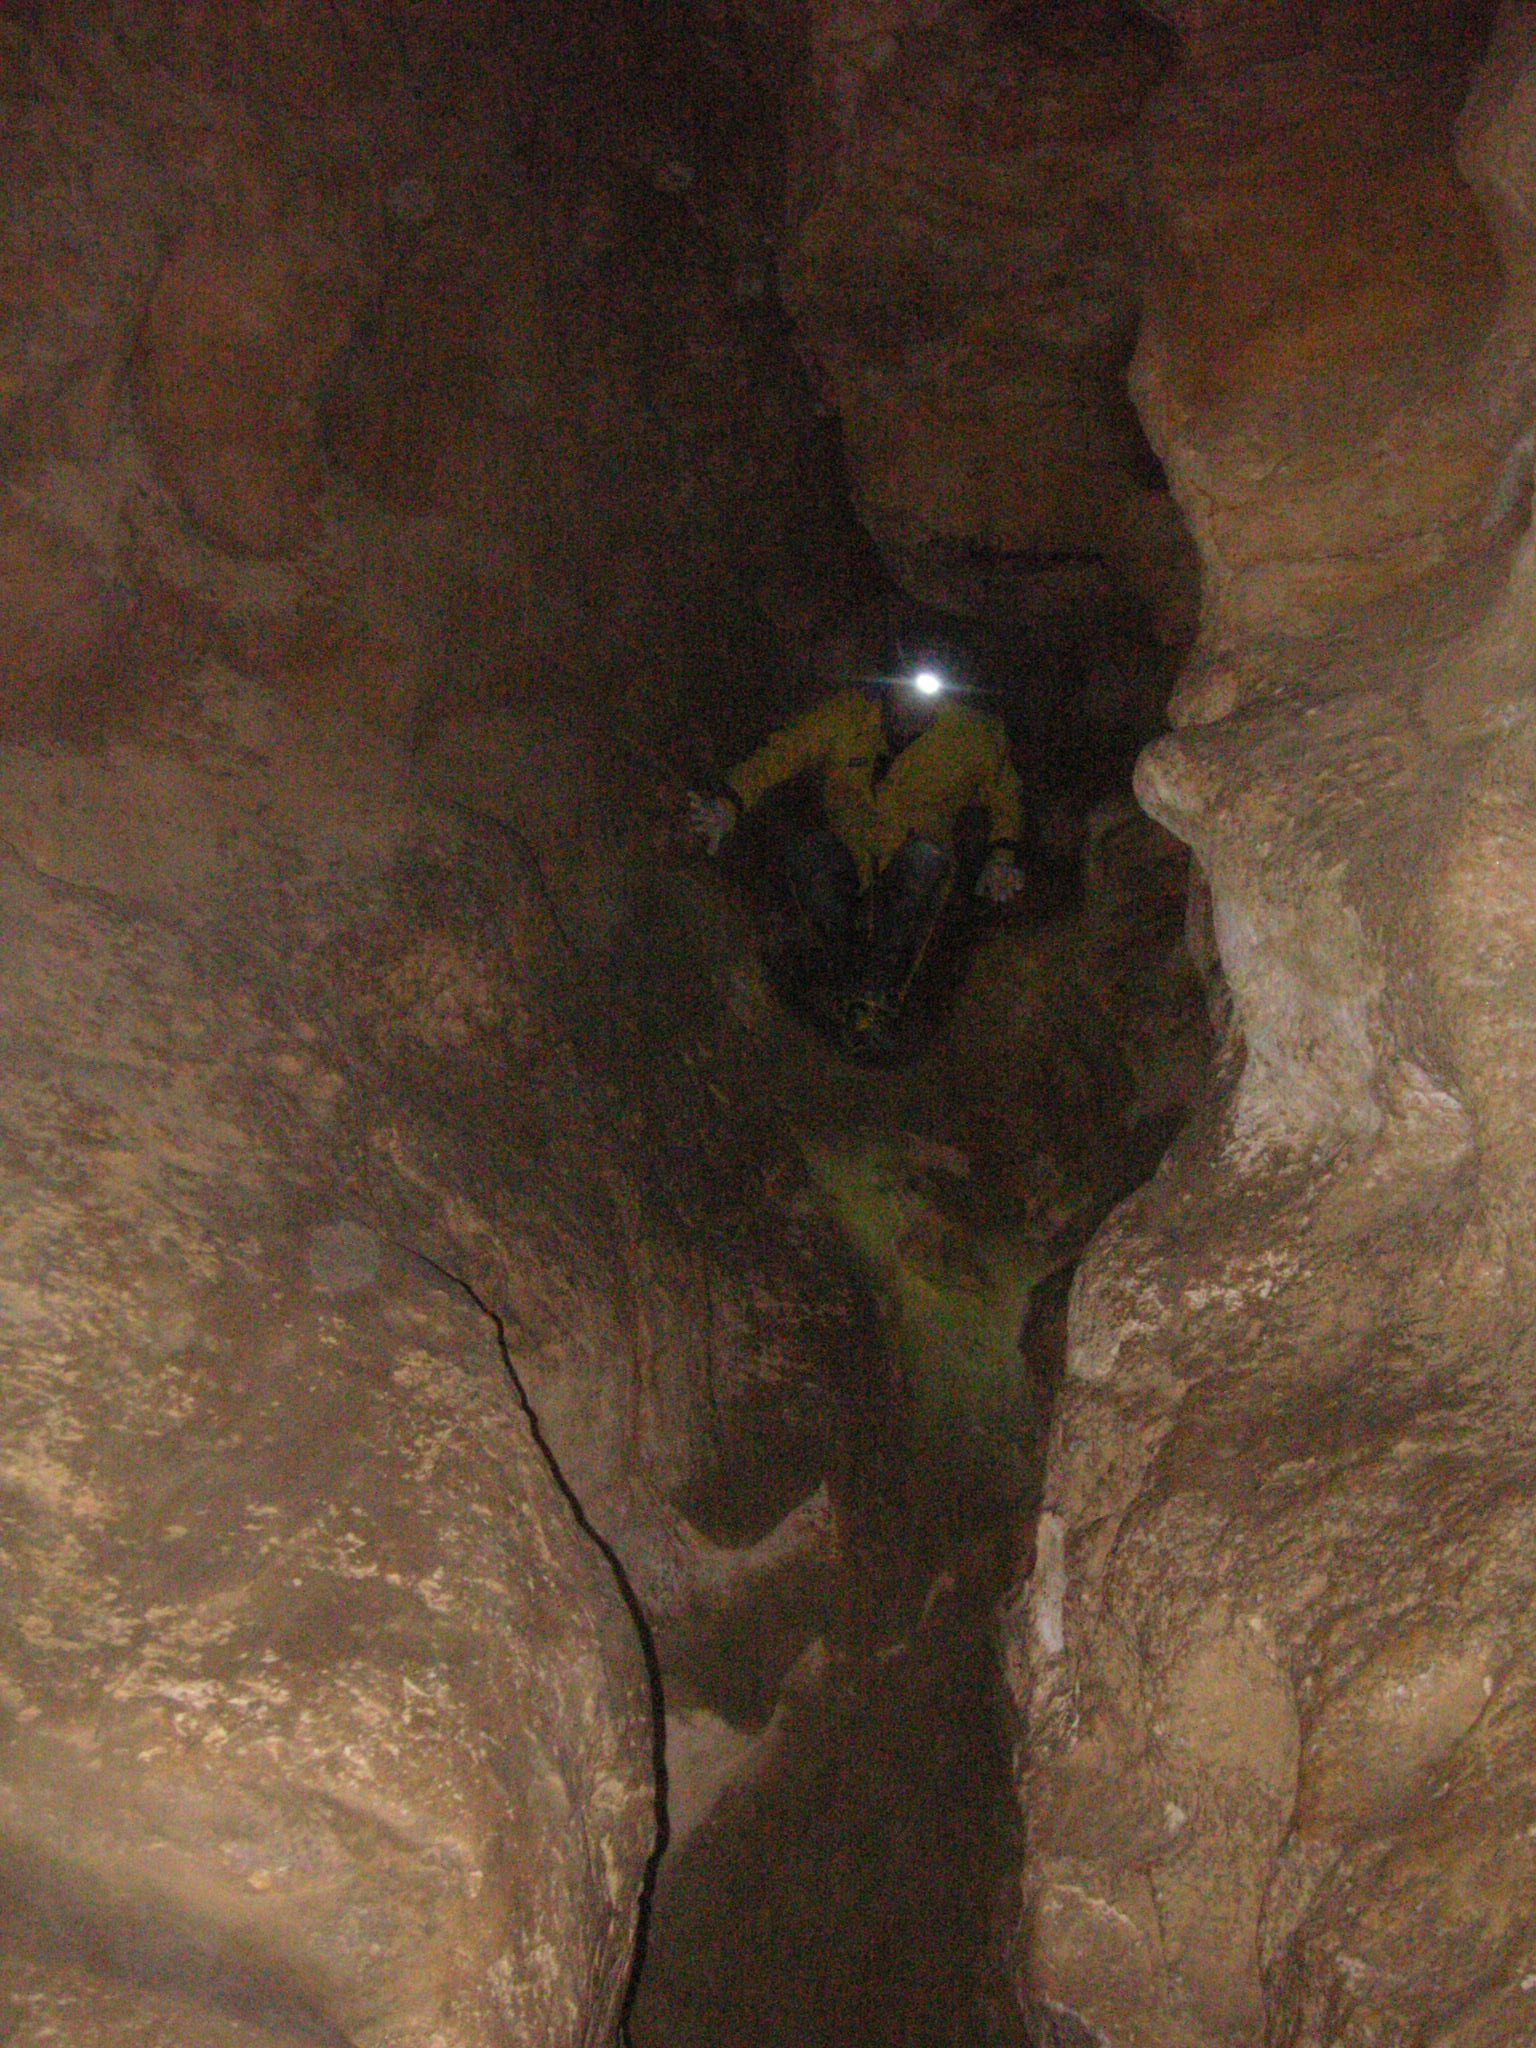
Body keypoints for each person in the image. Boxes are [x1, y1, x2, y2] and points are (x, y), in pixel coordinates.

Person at [687, 659, 1026, 1041]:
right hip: (851, 856)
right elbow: (783, 753)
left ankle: (875, 1004)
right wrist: (730, 803)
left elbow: (1005, 796)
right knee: (810, 856)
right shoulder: (847, 715)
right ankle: (842, 977)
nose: (913, 705)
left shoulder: (971, 735)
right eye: (905, 689)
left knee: (924, 861)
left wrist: (1002, 857)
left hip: (912, 870)